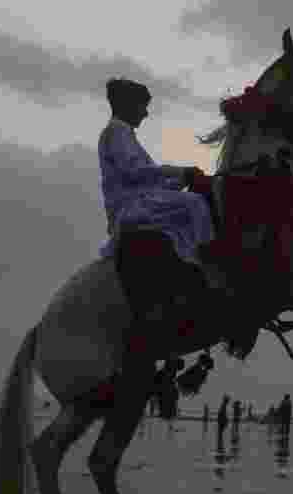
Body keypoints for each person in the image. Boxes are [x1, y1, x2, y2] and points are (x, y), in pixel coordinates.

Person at [97, 78, 218, 363]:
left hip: (137, 201)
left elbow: (148, 180)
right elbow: (137, 173)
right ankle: (209, 269)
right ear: (128, 105)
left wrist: (182, 181)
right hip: (130, 207)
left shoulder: (122, 134)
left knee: (189, 200)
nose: (146, 114)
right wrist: (183, 174)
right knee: (196, 204)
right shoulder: (117, 133)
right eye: (143, 107)